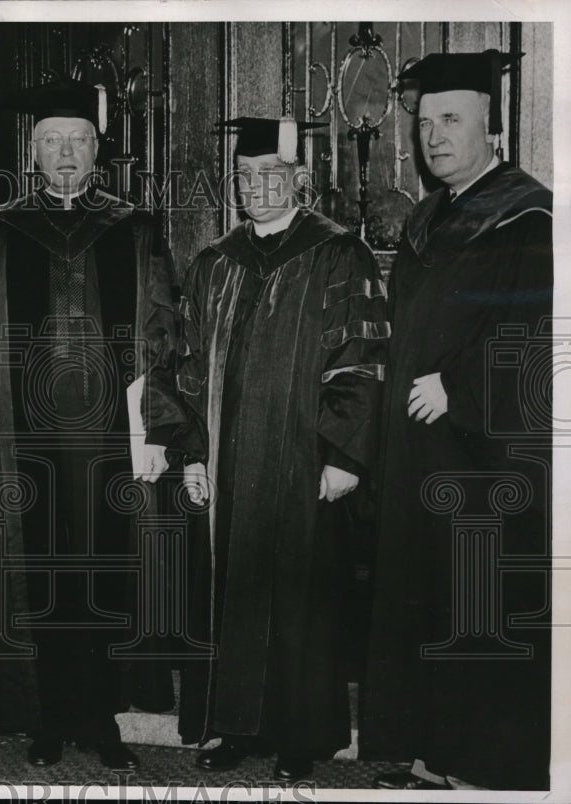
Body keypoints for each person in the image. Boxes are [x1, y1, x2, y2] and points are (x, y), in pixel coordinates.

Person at [0, 77, 188, 771]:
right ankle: (49, 718)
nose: (65, 153)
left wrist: (154, 429)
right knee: (42, 574)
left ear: (99, 151)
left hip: (108, 437)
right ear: (32, 153)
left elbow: (161, 335)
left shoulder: (135, 228)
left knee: (103, 570)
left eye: (78, 141)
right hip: (20, 435)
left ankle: (101, 717)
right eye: (51, 141)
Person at [176, 117, 389, 781]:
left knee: (304, 593)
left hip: (304, 455)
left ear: (300, 180)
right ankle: (232, 728)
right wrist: (191, 450)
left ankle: (301, 735)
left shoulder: (338, 253)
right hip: (232, 458)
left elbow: (363, 355)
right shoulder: (216, 261)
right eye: (246, 176)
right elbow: (182, 364)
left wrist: (343, 455)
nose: (258, 187)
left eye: (273, 174)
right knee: (234, 591)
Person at [361, 50, 552, 791]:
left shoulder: (525, 214)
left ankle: (488, 769)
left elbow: (541, 335)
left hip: (487, 457)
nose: (434, 136)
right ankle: (436, 756)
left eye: (452, 120)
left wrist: (463, 387)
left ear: (491, 130)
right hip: (423, 451)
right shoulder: (431, 216)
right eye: (424, 122)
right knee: (433, 597)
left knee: (480, 601)